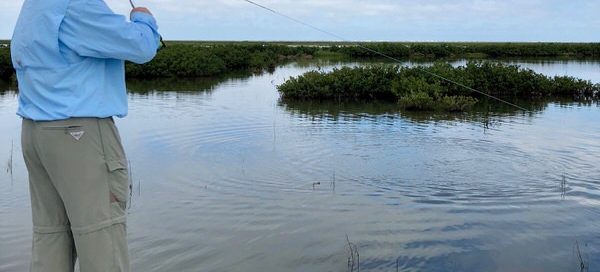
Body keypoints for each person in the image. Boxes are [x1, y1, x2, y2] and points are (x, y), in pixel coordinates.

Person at [10, 0, 161, 271]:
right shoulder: (78, 4)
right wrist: (144, 19)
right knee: (102, 242)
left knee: (50, 239)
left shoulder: (33, 4)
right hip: (78, 135)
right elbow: (140, 46)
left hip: (35, 133)